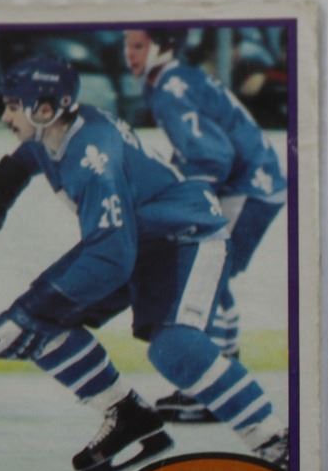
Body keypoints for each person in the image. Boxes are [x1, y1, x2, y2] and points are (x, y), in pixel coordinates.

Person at [0, 55, 289, 471]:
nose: (5, 116)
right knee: (42, 324)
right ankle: (127, 416)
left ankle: (276, 441)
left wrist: (29, 307)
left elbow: (111, 259)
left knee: (174, 348)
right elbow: (30, 156)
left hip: (185, 234)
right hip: (137, 237)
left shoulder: (95, 159)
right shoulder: (55, 131)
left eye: (14, 106)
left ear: (45, 109)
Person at [122, 27, 287, 421]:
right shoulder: (173, 79)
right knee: (213, 276)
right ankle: (219, 380)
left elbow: (212, 156)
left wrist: (185, 202)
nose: (130, 54)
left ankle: (212, 386)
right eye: (127, 46)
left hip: (248, 187)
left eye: (139, 45)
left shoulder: (169, 86)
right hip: (254, 183)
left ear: (165, 44)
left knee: (209, 276)